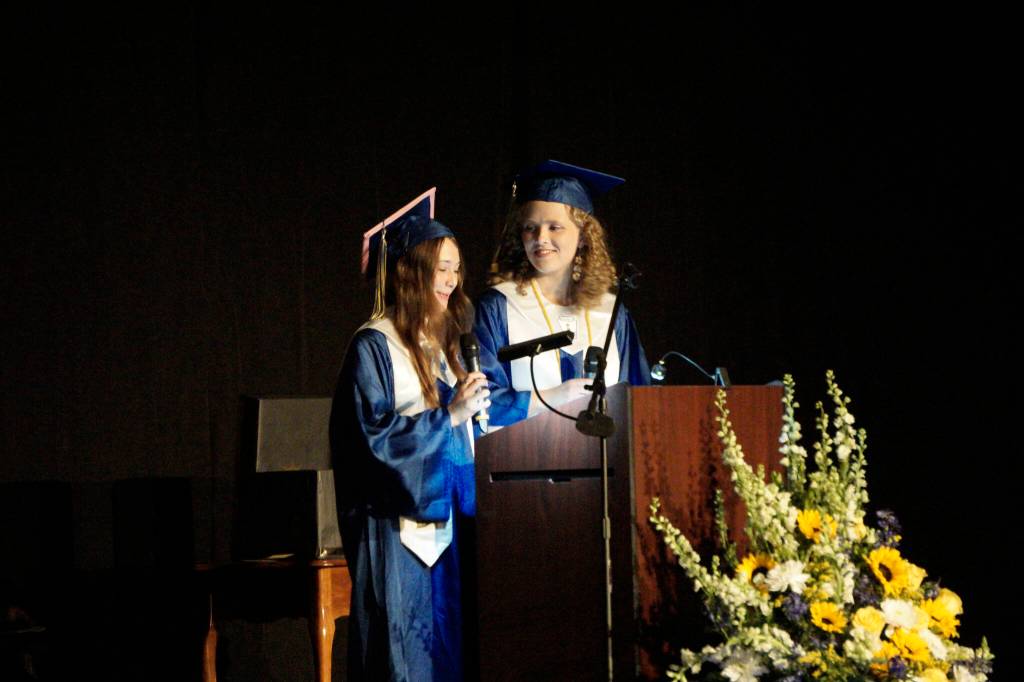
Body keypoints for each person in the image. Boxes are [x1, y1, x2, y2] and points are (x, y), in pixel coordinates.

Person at [330, 188, 490, 682]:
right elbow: (372, 445)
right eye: (440, 267)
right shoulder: (374, 347)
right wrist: (450, 416)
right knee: (407, 661)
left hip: (457, 532)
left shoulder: (446, 347)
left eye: (456, 268)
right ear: (409, 270)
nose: (450, 280)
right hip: (401, 543)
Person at [474, 160, 650, 427]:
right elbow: (480, 403)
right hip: (522, 459)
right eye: (530, 227)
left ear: (582, 236)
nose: (540, 238)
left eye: (554, 227)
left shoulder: (612, 312)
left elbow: (639, 400)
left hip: (605, 462)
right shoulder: (498, 307)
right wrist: (555, 396)